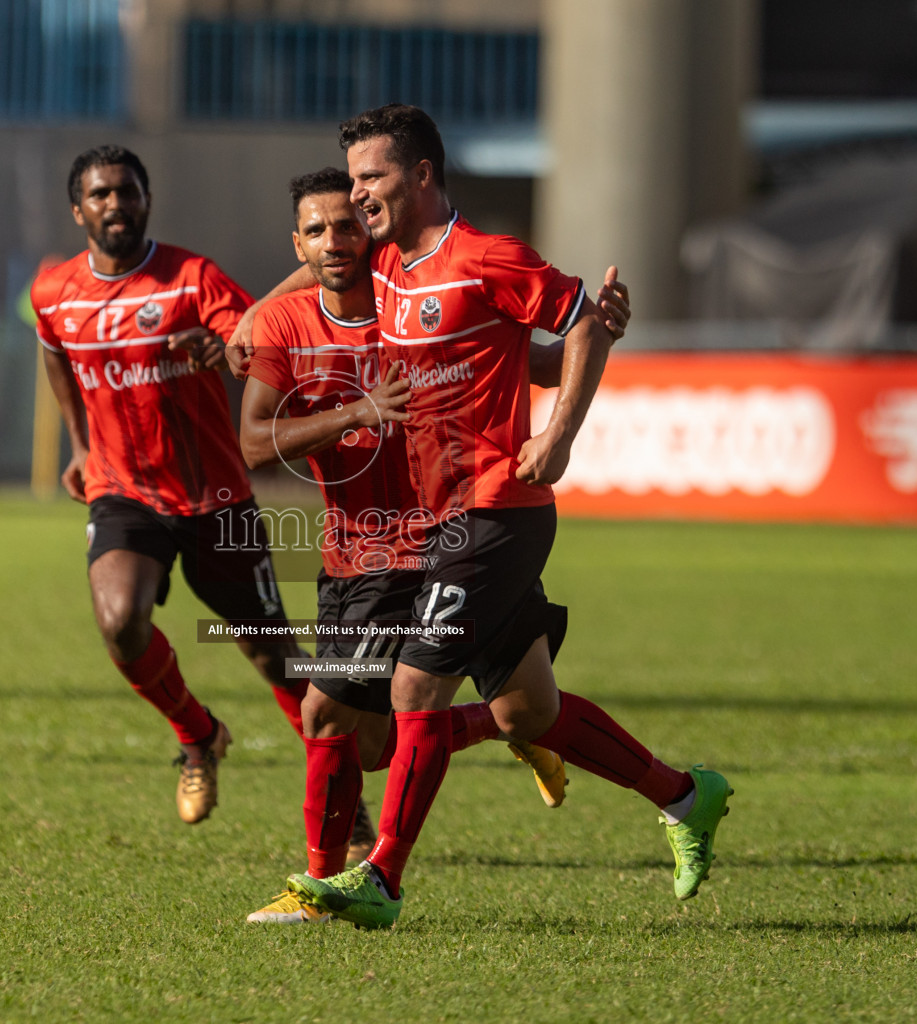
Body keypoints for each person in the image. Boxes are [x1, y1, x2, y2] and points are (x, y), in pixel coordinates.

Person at [239, 105, 730, 929]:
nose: (357, 199)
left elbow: (577, 323)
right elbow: (337, 271)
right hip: (438, 520)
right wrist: (258, 314)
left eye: (371, 179)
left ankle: (380, 879)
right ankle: (686, 795)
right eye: (352, 182)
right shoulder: (392, 262)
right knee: (524, 712)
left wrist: (559, 433)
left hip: (498, 508)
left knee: (413, 687)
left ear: (422, 174)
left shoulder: (486, 257)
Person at [238, 168, 571, 924]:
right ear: (298, 243)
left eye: (348, 224)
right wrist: (348, 403)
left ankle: (318, 890)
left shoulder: (410, 296)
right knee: (400, 738)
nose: (334, 241)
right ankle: (516, 733)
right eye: (316, 231)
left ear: (374, 229)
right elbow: (254, 444)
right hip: (346, 555)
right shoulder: (288, 325)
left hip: (430, 542)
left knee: (324, 713)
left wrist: (593, 335)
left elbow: (525, 357)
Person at [31, 145, 313, 824]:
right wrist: (78, 445)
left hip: (218, 499)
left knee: (274, 655)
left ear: (146, 199)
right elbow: (54, 356)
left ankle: (342, 797)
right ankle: (197, 735)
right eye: (100, 195)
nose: (115, 204)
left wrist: (225, 353)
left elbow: (258, 344)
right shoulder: (54, 293)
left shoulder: (192, 278)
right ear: (78, 210)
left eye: (127, 191)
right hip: (125, 491)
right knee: (120, 621)